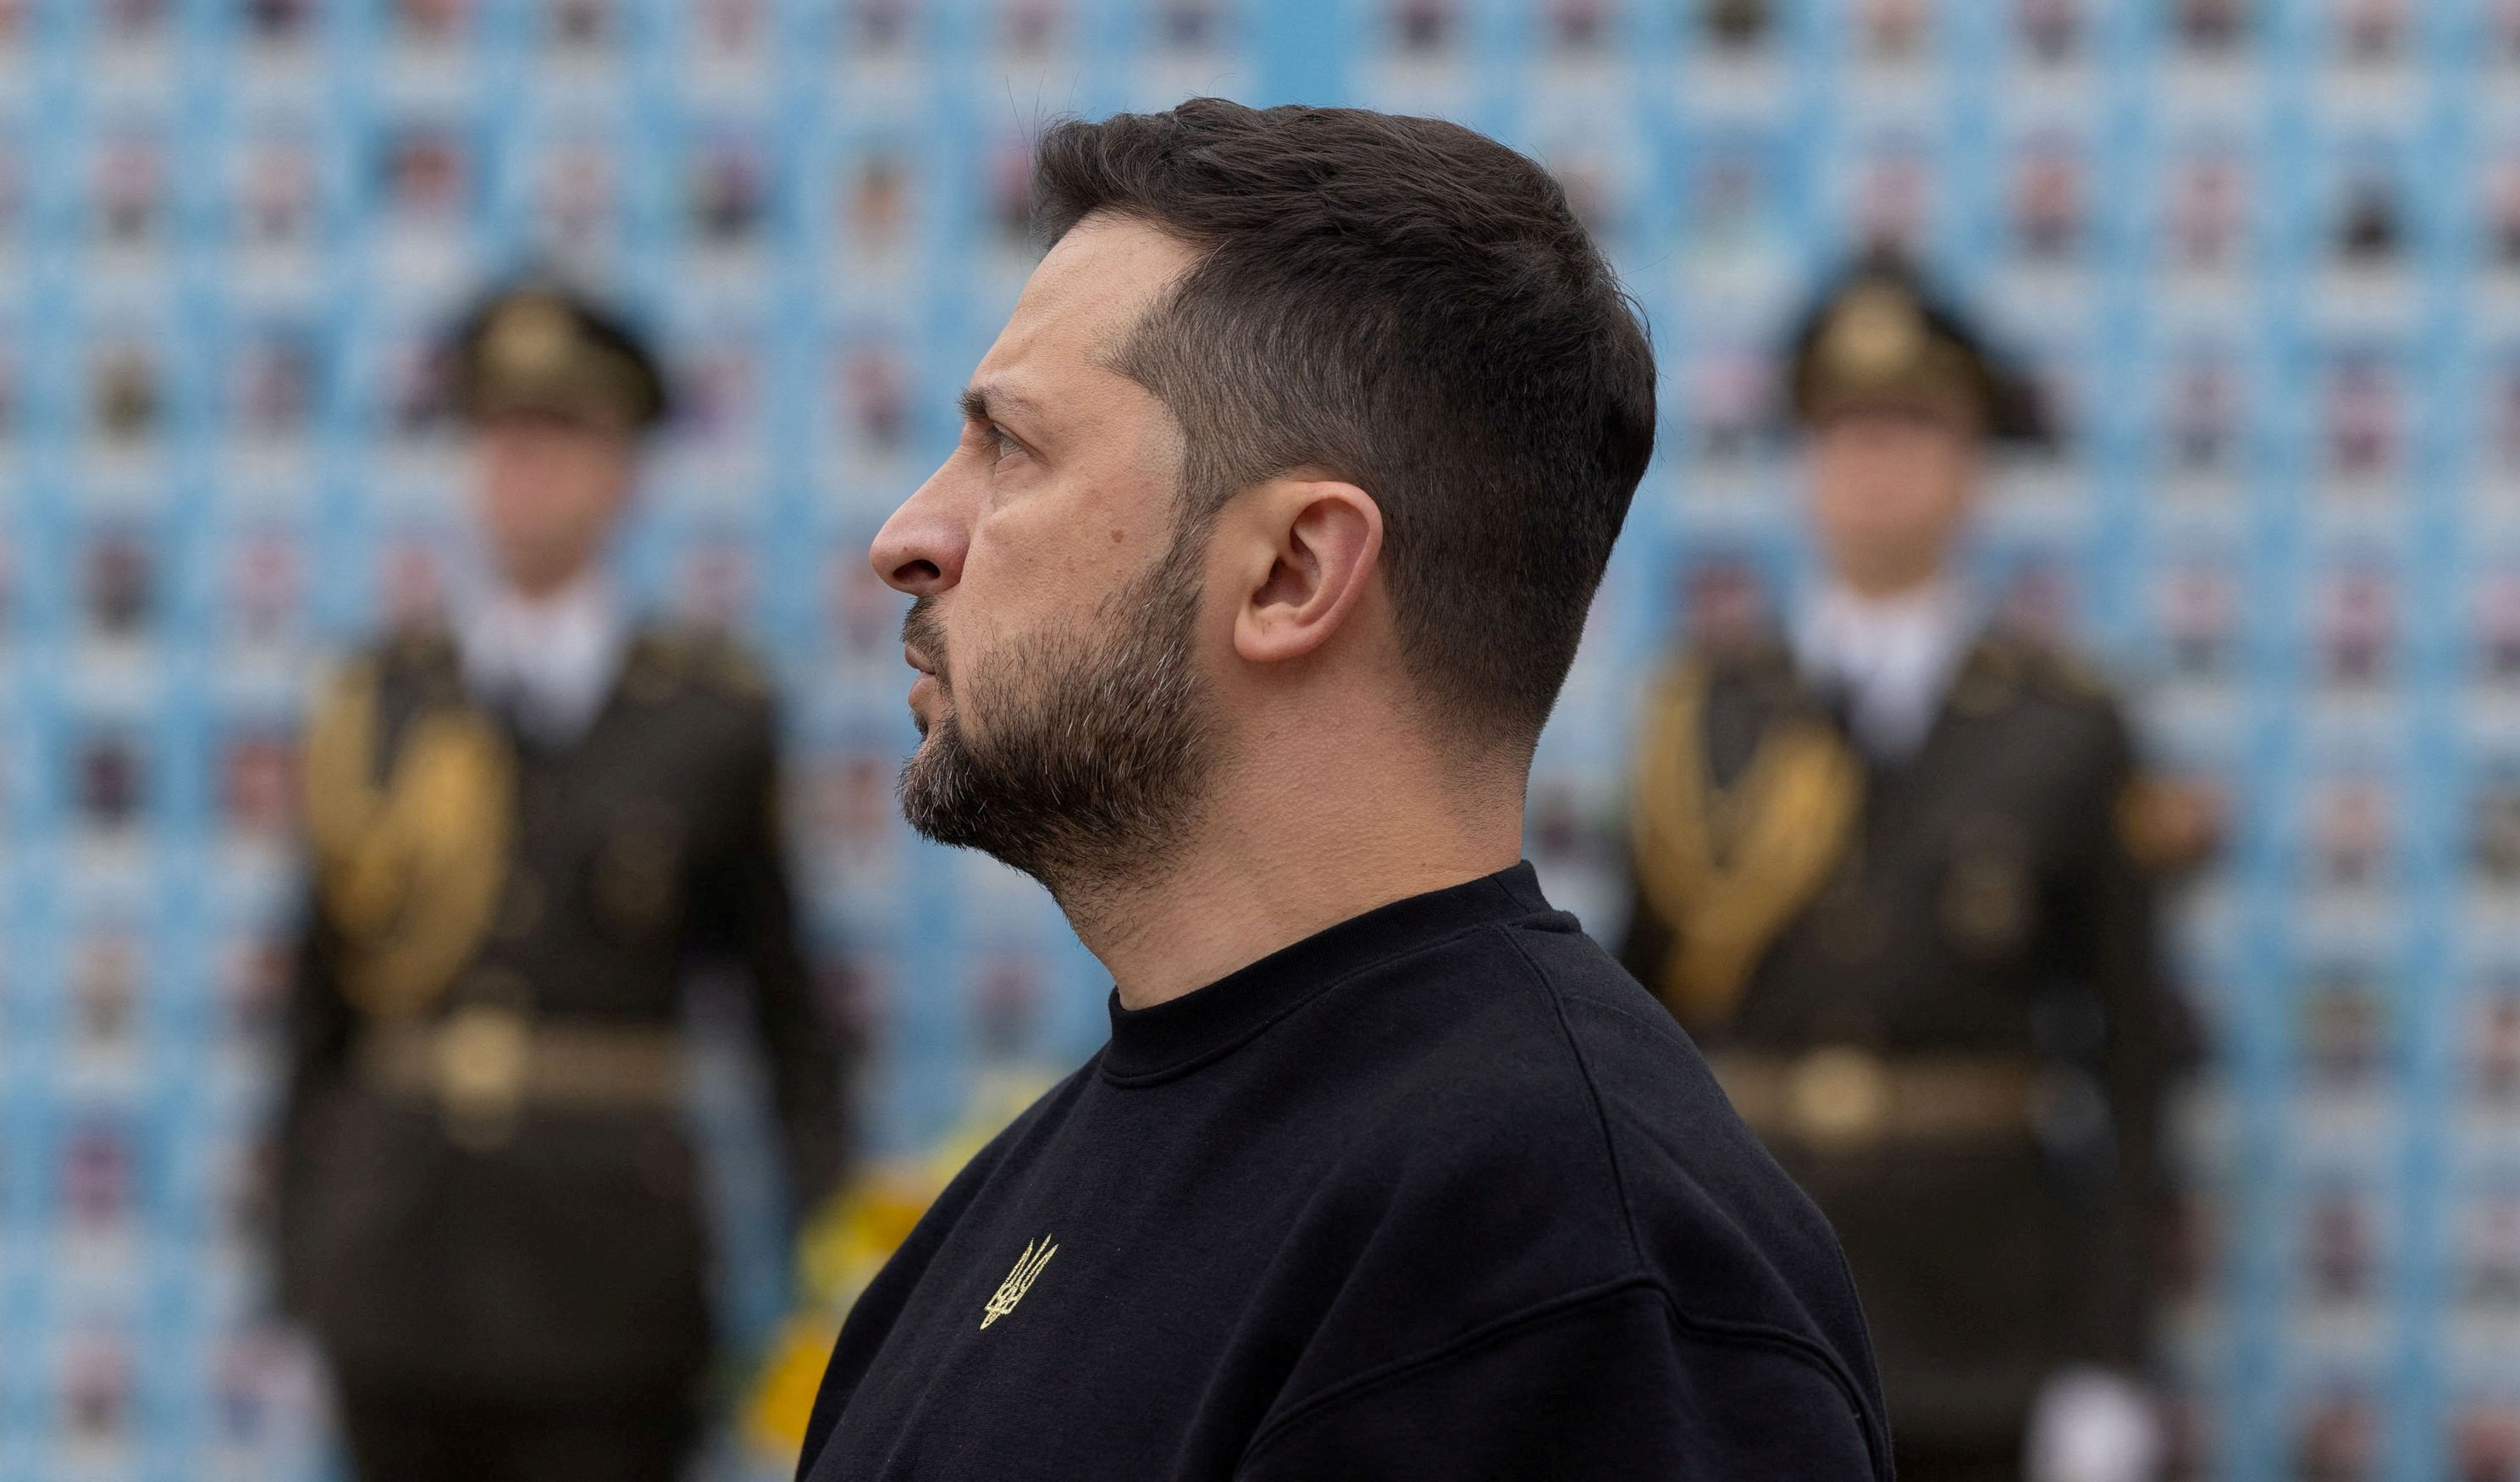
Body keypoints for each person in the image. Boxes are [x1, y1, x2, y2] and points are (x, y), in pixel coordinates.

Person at [793, 99, 1893, 1482]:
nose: (910, 538)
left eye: (1012, 448)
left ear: (1294, 572)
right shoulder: (1030, 1190)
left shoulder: (1556, 1263)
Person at [1621, 255, 2196, 1482]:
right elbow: (1633, 1044)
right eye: (1845, 431)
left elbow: (2135, 1061)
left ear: (1972, 460)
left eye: (1915, 429)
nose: (1877, 466)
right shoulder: (1705, 715)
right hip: (1744, 1296)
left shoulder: (2065, 727)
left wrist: (2107, 1360)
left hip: (1986, 1319)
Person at [274, 281, 851, 1482]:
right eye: (501, 438)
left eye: (564, 438)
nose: (525, 470)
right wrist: (300, 1250)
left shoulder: (709, 716)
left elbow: (783, 1010)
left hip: (609, 1284)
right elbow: (315, 1008)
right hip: (397, 1264)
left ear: (626, 471)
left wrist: (825, 1248)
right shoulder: (378, 700)